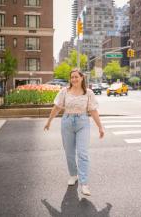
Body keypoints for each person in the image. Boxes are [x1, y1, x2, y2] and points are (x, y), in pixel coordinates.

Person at [44, 68, 105, 196]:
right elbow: (56, 108)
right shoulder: (64, 92)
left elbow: (93, 111)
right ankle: (73, 175)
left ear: (82, 78)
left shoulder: (88, 93)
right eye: (72, 77)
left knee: (83, 153)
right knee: (69, 153)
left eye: (76, 77)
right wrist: (49, 122)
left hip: (83, 122)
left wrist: (100, 127)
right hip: (67, 122)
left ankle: (84, 184)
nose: (74, 79)